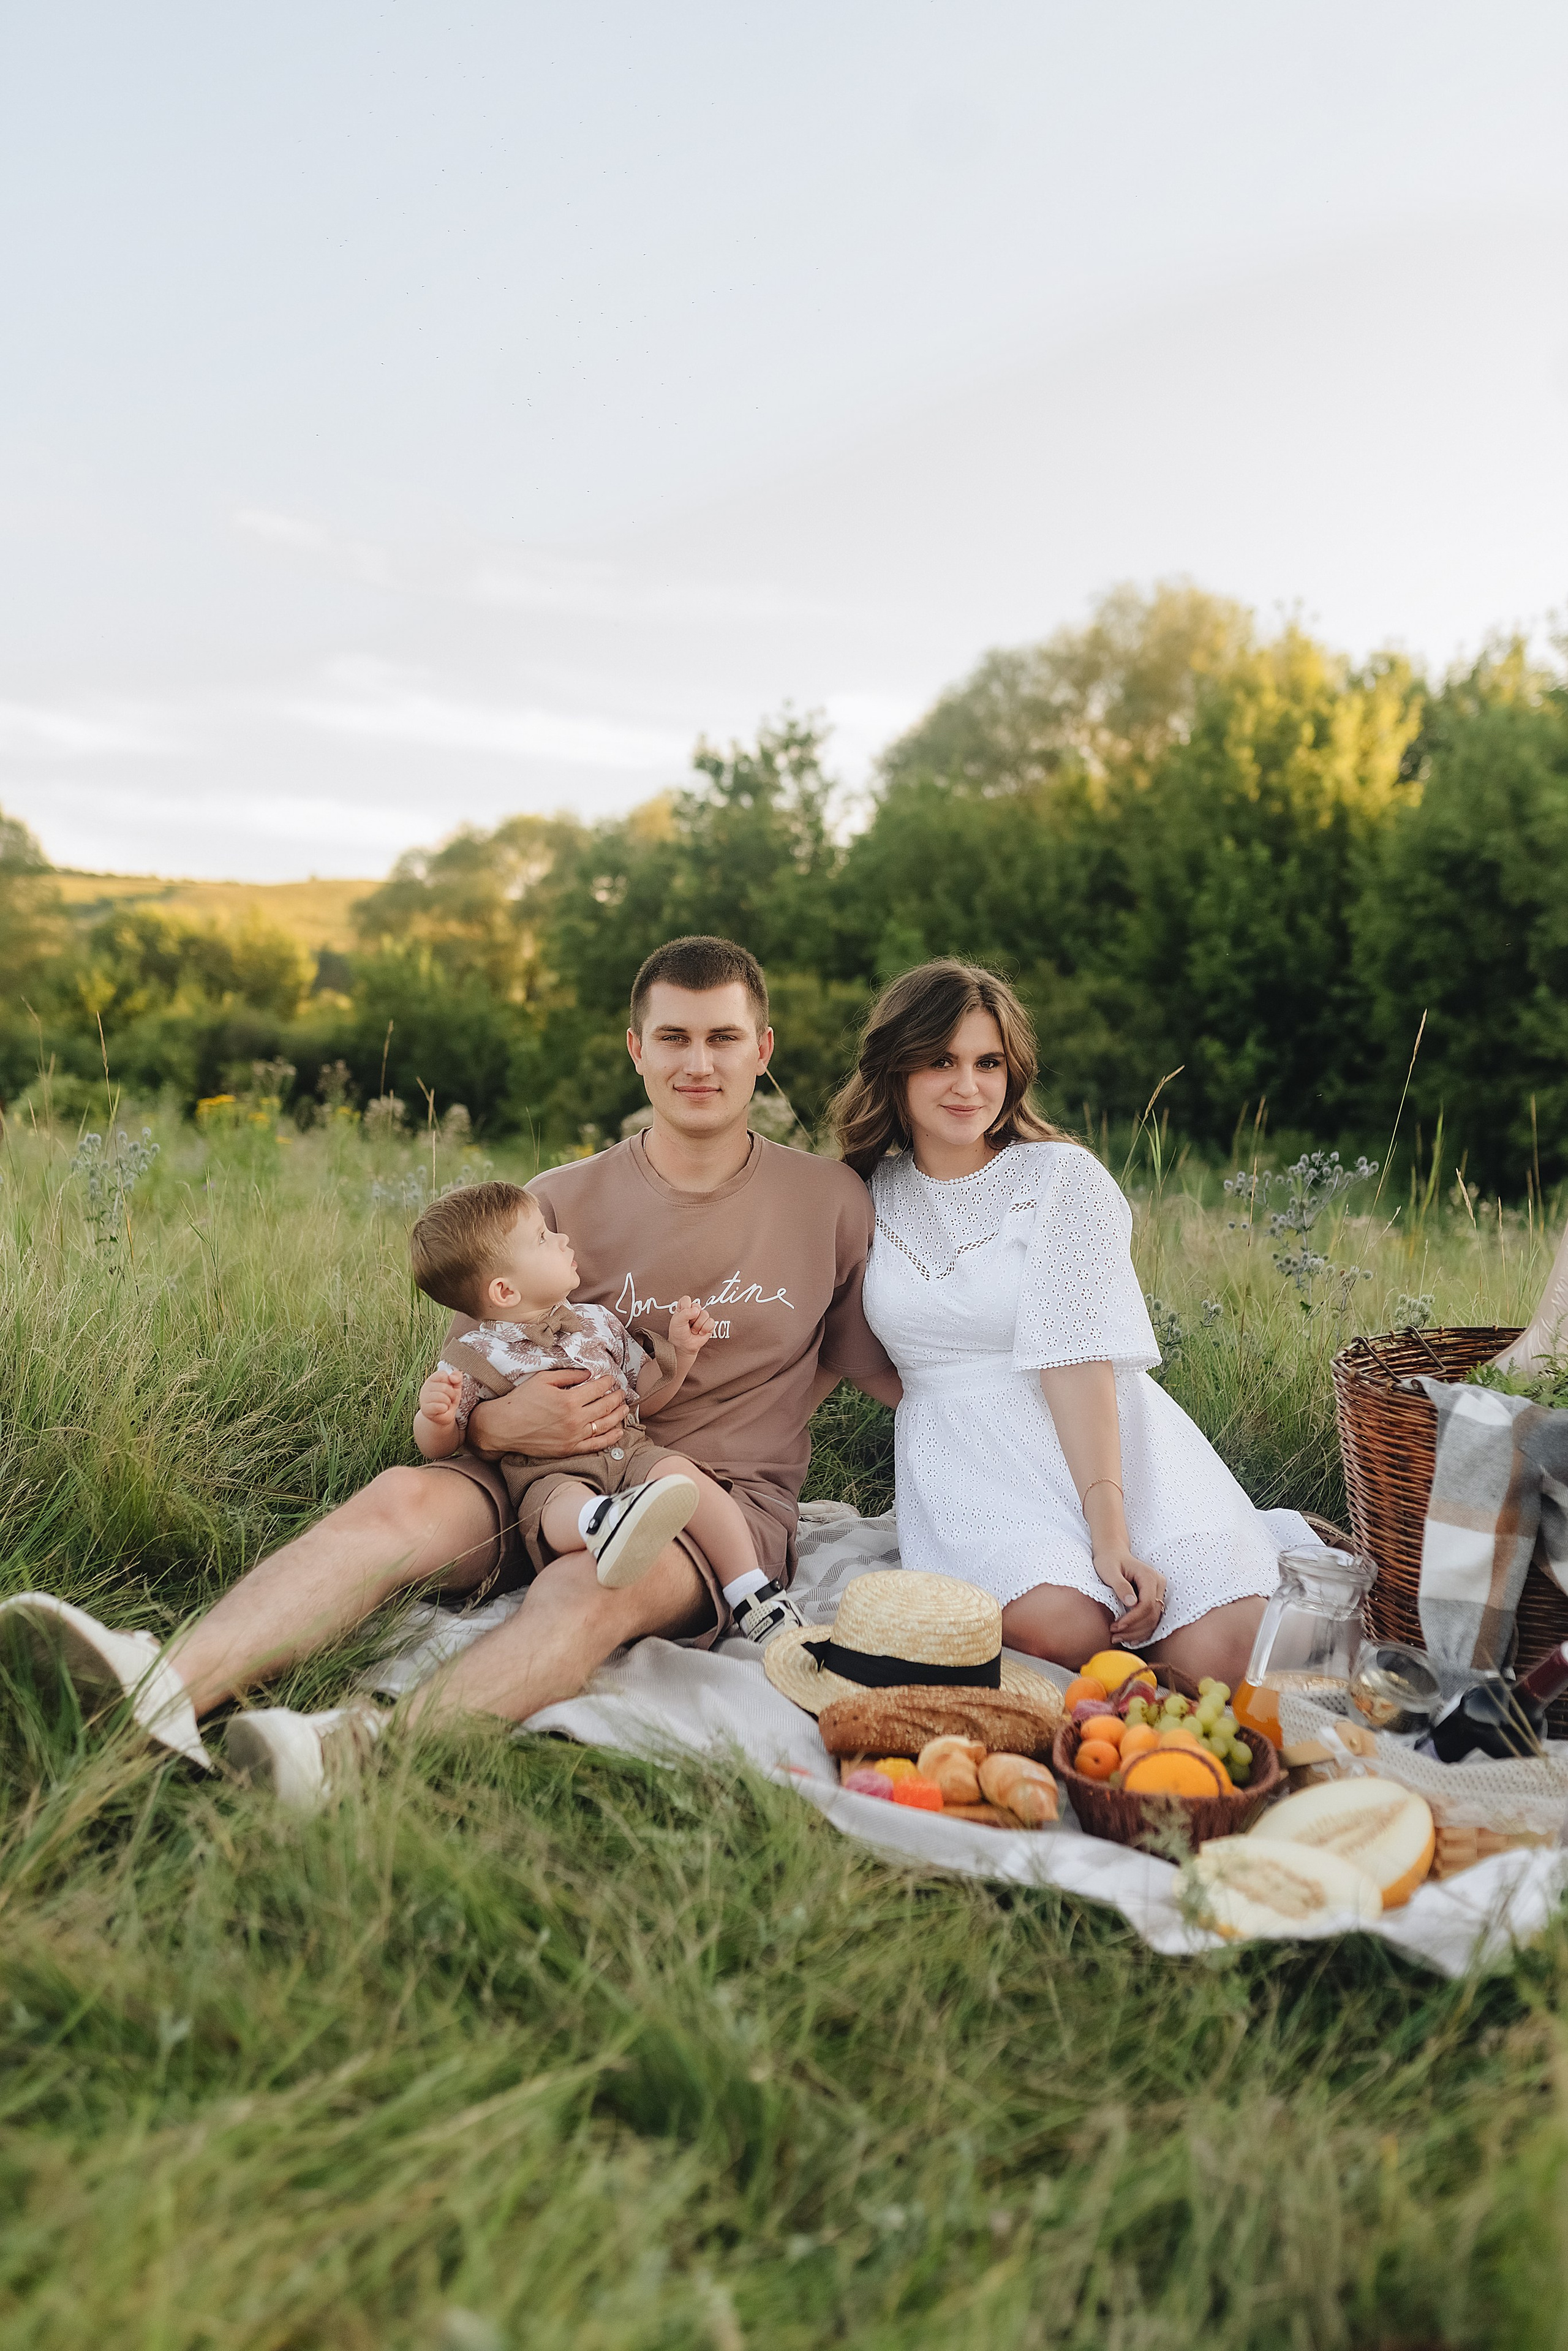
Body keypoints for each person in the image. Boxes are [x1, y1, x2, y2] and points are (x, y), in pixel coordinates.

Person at [0, 935, 899, 1802]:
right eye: (673, 1037)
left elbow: (868, 1361)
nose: (697, 1062)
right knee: (399, 1499)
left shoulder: (828, 1200)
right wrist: (504, 1426)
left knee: (594, 1583)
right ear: (636, 1048)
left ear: (763, 1048)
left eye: (722, 1037)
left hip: (710, 1500)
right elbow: (469, 1386)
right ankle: (157, 1693)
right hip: (524, 1474)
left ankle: (355, 1754)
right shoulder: (555, 1197)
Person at [832, 959, 1316, 1686]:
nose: (968, 1086)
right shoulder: (862, 1194)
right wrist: (944, 1416)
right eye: (940, 1061)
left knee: (1224, 1655)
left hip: (1111, 1452)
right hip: (968, 1468)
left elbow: (1078, 1363)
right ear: (894, 1070)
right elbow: (848, 1350)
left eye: (987, 1062)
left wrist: (1110, 1536)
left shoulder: (1059, 1178)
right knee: (1062, 1633)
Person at [409, 1178, 767, 1601]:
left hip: (631, 1450)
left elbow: (642, 1397)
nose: (561, 1239)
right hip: (547, 1472)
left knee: (687, 1479)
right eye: (543, 1238)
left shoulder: (597, 1322)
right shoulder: (474, 1355)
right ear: (505, 1291)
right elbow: (443, 1445)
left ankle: (753, 1590)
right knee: (557, 1507)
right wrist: (435, 1417)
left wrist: (683, 1354)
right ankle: (604, 1523)